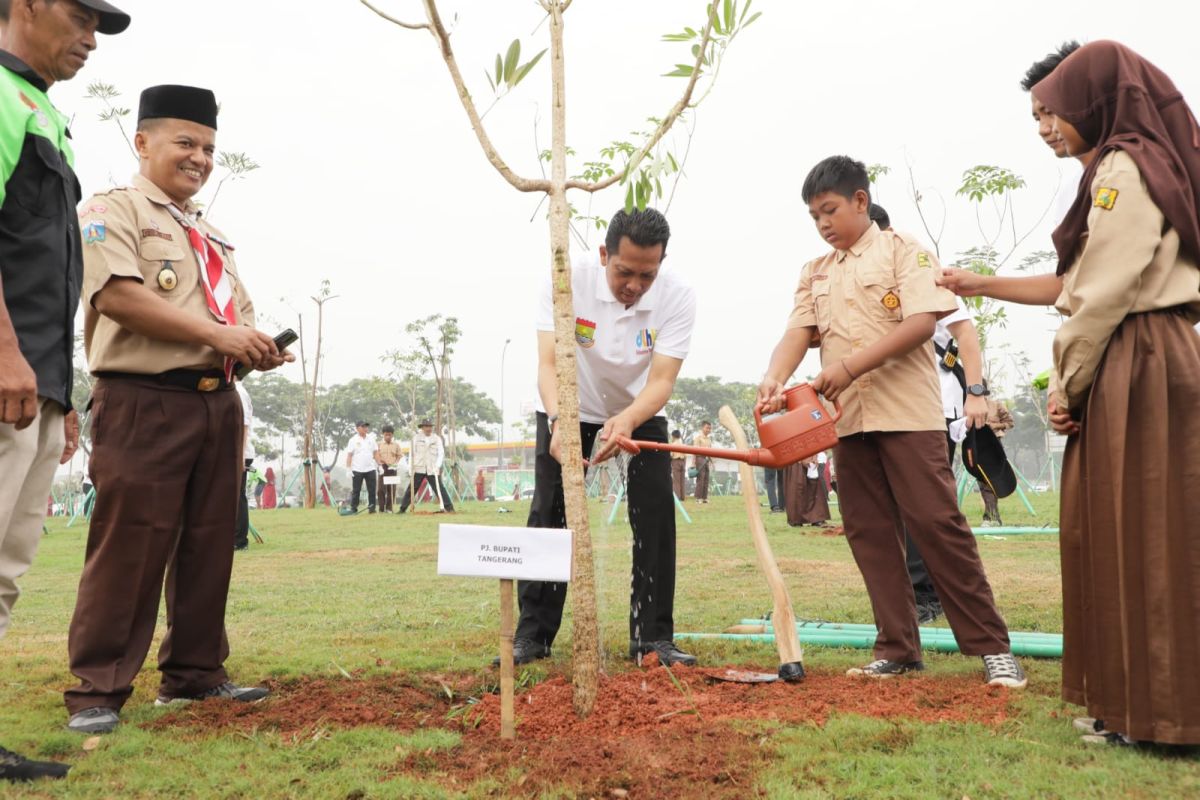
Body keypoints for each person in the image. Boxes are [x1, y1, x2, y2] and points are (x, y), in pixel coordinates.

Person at [63, 85, 290, 735]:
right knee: (130, 545)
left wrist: (255, 348)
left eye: (210, 148)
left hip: (217, 404)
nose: (200, 158)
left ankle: (194, 676)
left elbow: (235, 320)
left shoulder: (212, 235)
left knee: (208, 544)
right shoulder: (111, 210)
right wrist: (220, 337)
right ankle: (98, 687)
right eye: (185, 143)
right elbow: (115, 297)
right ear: (143, 143)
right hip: (143, 401)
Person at [758, 155, 1025, 688]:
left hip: (908, 415)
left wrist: (849, 366)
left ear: (861, 200)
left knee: (936, 523)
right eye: (814, 216)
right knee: (869, 531)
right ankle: (898, 647)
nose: (823, 224)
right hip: (849, 421)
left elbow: (924, 324)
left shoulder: (906, 252)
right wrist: (773, 377)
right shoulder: (816, 272)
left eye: (830, 210)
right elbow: (798, 331)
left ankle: (993, 648)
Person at [1033, 42, 1200, 747]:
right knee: (1150, 532)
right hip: (1159, 354)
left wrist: (1068, 384)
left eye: (1056, 109)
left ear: (1095, 100)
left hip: (1136, 357)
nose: (1050, 125)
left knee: (1143, 535)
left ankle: (1159, 717)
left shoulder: (1125, 169)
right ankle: (1139, 705)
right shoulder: (1159, 162)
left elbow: (1099, 295)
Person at [0, 0, 128, 780]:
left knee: (7, 569)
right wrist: (7, 353)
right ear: (22, 6)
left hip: (36, 385)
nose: (89, 38)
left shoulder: (43, 110)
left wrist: (60, 389)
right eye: (79, 17)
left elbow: (50, 268)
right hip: (7, 373)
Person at [505, 206, 698, 668]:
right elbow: (548, 364)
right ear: (604, 254)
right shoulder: (566, 280)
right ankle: (533, 636)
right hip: (568, 405)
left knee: (655, 513)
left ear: (662, 263)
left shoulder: (678, 297)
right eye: (624, 272)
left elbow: (661, 382)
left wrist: (629, 418)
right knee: (550, 512)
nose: (633, 285)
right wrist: (558, 421)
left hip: (638, 409)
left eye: (646, 275)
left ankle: (651, 639)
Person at [398, 420, 453, 512]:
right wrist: (410, 468)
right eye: (426, 426)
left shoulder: (436, 438)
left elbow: (441, 453)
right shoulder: (416, 438)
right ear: (422, 428)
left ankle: (449, 507)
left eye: (430, 426)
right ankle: (402, 509)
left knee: (439, 488)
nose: (428, 428)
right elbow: (412, 453)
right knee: (411, 489)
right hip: (419, 467)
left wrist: (437, 466)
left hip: (432, 468)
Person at [977, 391, 1014, 527]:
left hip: (994, 445)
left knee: (991, 482)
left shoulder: (996, 405)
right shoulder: (969, 406)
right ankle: (992, 517)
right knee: (982, 482)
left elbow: (1010, 423)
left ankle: (990, 518)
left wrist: (995, 426)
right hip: (977, 445)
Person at [233, 380, 254, 550]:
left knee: (238, 497)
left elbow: (244, 425)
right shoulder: (232, 390)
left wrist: (240, 455)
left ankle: (240, 541)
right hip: (231, 452)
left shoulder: (238, 392)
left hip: (240, 453)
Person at [345, 421, 379, 514]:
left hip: (370, 468)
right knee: (356, 490)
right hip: (357, 469)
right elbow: (349, 455)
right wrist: (348, 468)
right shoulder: (353, 440)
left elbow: (375, 453)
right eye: (363, 426)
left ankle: (372, 508)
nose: (365, 428)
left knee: (372, 490)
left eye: (366, 426)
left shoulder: (371, 439)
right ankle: (353, 508)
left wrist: (379, 465)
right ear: (357, 428)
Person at [377, 424, 403, 512]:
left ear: (392, 435)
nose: (388, 436)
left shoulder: (396, 445)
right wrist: (380, 464)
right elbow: (376, 455)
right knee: (380, 489)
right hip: (382, 468)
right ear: (383, 435)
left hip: (392, 468)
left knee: (391, 489)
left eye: (389, 435)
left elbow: (399, 456)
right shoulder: (379, 444)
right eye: (386, 435)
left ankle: (389, 508)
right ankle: (381, 508)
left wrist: (395, 464)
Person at [691, 420, 712, 503]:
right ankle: (698, 498)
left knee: (706, 478)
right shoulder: (698, 438)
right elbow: (694, 451)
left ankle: (704, 498)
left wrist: (711, 461)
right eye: (707, 428)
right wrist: (693, 463)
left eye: (710, 428)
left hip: (707, 459)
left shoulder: (709, 439)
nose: (708, 430)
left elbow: (710, 450)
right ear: (702, 427)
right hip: (699, 458)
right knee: (701, 478)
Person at [669, 428, 686, 501]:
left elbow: (671, 455)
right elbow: (685, 455)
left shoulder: (673, 444)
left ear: (673, 436)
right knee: (682, 480)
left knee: (676, 481)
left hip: (675, 461)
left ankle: (677, 497)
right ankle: (682, 497)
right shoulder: (683, 444)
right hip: (683, 461)